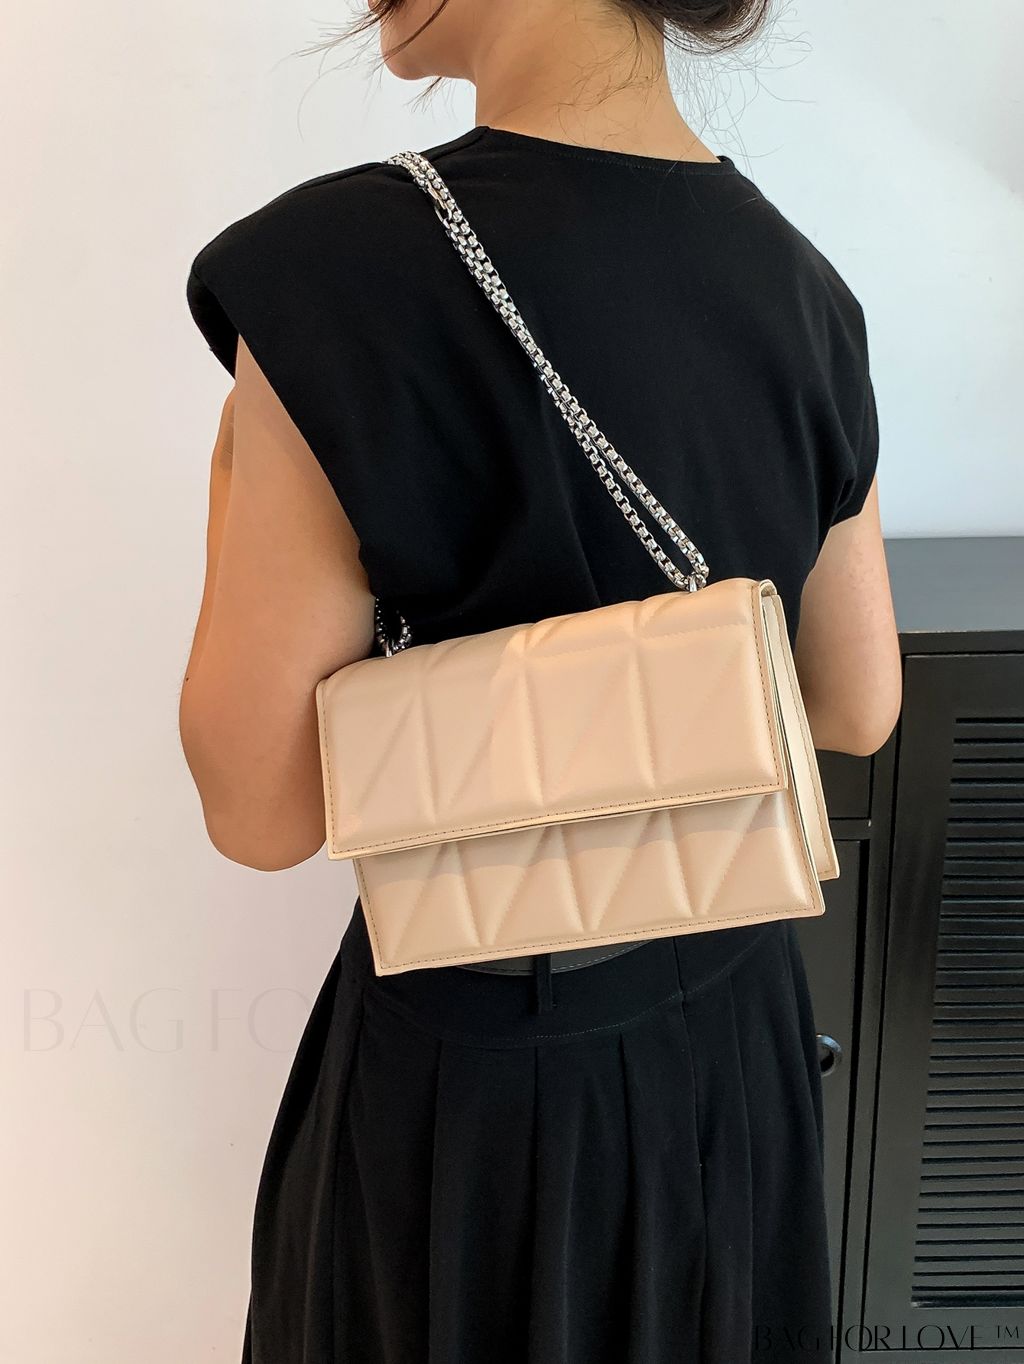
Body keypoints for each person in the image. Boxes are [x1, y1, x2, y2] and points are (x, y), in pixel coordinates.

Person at [178, 0, 903, 1358]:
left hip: (482, 1073)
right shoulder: (805, 287)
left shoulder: (336, 273)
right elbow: (857, 705)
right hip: (731, 1025)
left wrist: (240, 462)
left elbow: (258, 810)